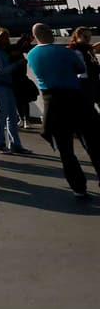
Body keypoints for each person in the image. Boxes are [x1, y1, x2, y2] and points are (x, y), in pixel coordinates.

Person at [26, 23, 100, 198]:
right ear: (48, 33)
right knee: (93, 143)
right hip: (75, 99)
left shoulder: (31, 55)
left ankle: (78, 187)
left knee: (66, 151)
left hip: (52, 103)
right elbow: (81, 68)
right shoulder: (65, 52)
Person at [0, 27, 29, 154]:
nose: (7, 40)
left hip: (5, 84)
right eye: (4, 38)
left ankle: (15, 144)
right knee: (3, 113)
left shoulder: (0, 51)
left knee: (11, 114)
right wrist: (17, 64)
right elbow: (1, 70)